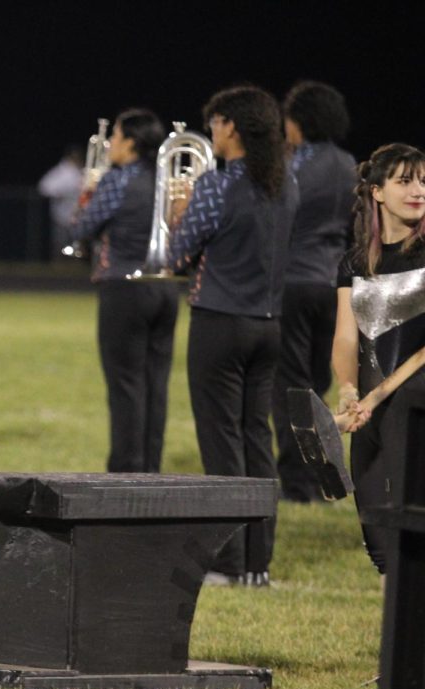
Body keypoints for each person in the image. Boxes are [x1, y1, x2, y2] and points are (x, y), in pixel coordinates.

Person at [169, 86, 299, 587]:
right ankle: (257, 563)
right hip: (268, 325)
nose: (212, 133)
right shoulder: (287, 184)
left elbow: (179, 254)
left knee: (221, 442)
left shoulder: (216, 186)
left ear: (232, 127)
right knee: (256, 438)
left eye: (216, 123)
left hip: (219, 322)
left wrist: (179, 212)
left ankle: (226, 562)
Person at [332, 143, 425, 576]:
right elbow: (346, 339)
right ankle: (401, 643)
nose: (419, 190)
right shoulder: (353, 263)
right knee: (378, 544)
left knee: (416, 540)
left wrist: (376, 396)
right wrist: (349, 391)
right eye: (405, 181)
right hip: (369, 416)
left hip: (415, 408)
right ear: (376, 193)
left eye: (423, 181)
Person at [70, 109, 176, 473]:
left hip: (124, 288)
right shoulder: (164, 178)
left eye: (115, 136)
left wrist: (89, 192)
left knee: (125, 385)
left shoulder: (118, 180)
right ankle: (150, 466)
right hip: (164, 288)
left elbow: (84, 226)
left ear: (130, 142)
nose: (111, 143)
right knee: (156, 384)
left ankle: (126, 470)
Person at [273, 81, 356, 502]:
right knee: (318, 386)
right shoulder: (349, 164)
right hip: (336, 286)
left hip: (292, 282)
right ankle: (325, 475)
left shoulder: (290, 165)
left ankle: (297, 482)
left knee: (290, 385)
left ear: (298, 121)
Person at [38, 144, 84, 260]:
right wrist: (61, 193)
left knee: (77, 250)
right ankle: (58, 271)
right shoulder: (61, 171)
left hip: (78, 217)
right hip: (62, 217)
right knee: (61, 247)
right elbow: (44, 187)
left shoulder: (79, 171)